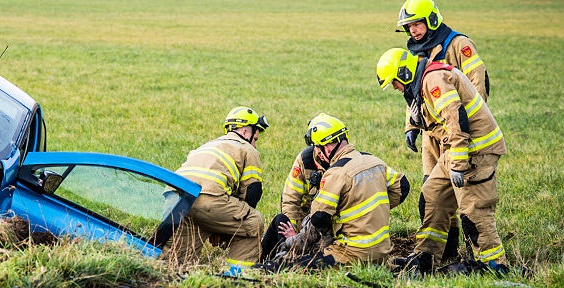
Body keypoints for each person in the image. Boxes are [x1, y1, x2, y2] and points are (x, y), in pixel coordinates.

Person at [376, 48, 508, 275]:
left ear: (405, 73)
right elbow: (431, 115)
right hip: (457, 149)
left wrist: (457, 165)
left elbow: (456, 119)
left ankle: (494, 266)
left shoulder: (433, 79)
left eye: (395, 83)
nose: (396, 89)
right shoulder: (422, 81)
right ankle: (426, 256)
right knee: (432, 197)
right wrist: (414, 125)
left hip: (476, 151)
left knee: (474, 211)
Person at [397, 0, 491, 260]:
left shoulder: (459, 44)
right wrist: (411, 126)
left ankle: (478, 255)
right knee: (433, 193)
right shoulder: (418, 50)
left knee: (465, 193)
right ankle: (445, 253)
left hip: (457, 133)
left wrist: (465, 129)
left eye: (417, 24)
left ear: (432, 19)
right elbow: (413, 92)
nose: (413, 30)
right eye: (408, 27)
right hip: (432, 136)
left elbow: (478, 84)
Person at [266, 113, 409, 270]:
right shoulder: (374, 161)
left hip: (348, 254)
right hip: (381, 254)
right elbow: (402, 186)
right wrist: (374, 212)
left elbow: (319, 219)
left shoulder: (336, 172)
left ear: (327, 146)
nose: (318, 153)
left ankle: (261, 267)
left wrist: (293, 240)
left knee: (292, 267)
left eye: (319, 148)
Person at [168, 106, 268, 275]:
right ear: (245, 132)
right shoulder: (247, 148)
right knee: (253, 222)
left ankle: (170, 276)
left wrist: (219, 225)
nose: (255, 143)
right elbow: (252, 193)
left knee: (175, 258)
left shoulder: (206, 145)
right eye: (255, 138)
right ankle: (237, 276)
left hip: (175, 199)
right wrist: (226, 229)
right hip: (208, 201)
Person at [260, 116, 328, 260]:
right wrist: (293, 235)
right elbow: (291, 199)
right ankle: (263, 259)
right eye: (316, 146)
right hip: (304, 223)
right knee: (281, 222)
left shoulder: (342, 165)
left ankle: (289, 262)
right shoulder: (305, 160)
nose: (320, 152)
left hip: (325, 226)